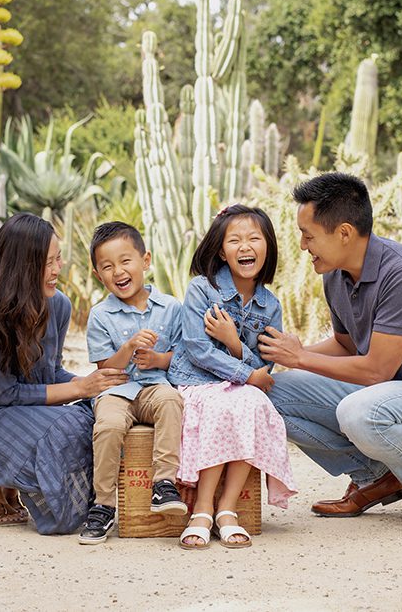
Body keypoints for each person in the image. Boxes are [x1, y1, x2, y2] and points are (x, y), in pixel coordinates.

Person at [258, 173, 402, 534]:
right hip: (378, 399)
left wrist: (300, 357)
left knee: (359, 411)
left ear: (344, 233)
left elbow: (377, 370)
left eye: (308, 235)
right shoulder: (335, 274)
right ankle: (375, 476)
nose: (301, 245)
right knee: (267, 394)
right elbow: (345, 345)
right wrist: (285, 354)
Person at [0, 213, 128, 534]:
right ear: (21, 266)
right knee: (65, 428)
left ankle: (5, 480)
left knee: (94, 417)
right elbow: (5, 394)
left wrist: (100, 384)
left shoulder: (58, 306)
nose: (57, 269)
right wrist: (81, 388)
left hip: (23, 410)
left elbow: (50, 374)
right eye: (48, 262)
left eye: (59, 258)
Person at [168, 205, 297, 550]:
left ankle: (227, 508)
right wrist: (246, 371)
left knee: (251, 401)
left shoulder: (270, 306)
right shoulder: (201, 289)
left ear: (267, 246)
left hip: (239, 388)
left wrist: (234, 343)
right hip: (196, 382)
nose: (245, 246)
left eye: (254, 238)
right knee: (227, 402)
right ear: (221, 251)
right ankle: (203, 508)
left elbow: (266, 367)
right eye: (235, 240)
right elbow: (196, 348)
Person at [77, 221, 187, 545]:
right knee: (108, 426)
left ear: (145, 261)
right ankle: (104, 504)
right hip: (116, 390)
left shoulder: (171, 308)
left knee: (171, 402)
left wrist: (157, 359)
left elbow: (182, 356)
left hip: (155, 384)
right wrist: (127, 349)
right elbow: (104, 370)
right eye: (107, 267)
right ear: (99, 275)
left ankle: (164, 484)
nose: (118, 272)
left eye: (126, 261)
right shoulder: (100, 315)